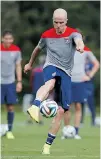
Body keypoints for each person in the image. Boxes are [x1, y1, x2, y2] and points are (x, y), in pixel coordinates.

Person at [24, 8, 84, 154]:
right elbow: (37, 49)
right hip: (51, 65)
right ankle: (35, 106)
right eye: (56, 22)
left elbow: (78, 40)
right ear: (53, 21)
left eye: (61, 22)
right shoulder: (46, 35)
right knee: (49, 83)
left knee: (61, 111)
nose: (58, 25)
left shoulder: (73, 33)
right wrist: (30, 63)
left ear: (66, 21)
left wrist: (80, 46)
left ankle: (47, 146)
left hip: (66, 72)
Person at [63, 46, 99, 139]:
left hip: (80, 82)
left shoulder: (86, 50)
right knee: (67, 107)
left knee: (78, 106)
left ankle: (76, 132)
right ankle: (66, 131)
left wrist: (89, 76)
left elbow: (96, 64)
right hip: (68, 81)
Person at [1, 30, 22, 139]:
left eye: (10, 39)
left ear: (12, 39)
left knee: (10, 107)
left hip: (10, 83)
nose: (8, 41)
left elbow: (18, 66)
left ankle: (9, 131)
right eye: (6, 38)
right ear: (2, 39)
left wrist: (19, 81)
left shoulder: (16, 50)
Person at [81, 57, 98, 126]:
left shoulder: (91, 65)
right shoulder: (81, 65)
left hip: (89, 87)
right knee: (81, 104)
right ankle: (80, 122)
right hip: (82, 86)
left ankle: (93, 121)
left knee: (91, 104)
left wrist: (89, 74)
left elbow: (92, 76)